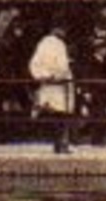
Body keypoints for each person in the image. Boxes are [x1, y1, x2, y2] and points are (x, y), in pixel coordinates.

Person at [29, 24, 75, 154]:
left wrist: (43, 76)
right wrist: (57, 75)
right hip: (60, 84)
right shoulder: (59, 44)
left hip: (48, 84)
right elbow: (63, 66)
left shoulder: (42, 44)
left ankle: (57, 144)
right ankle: (62, 144)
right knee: (63, 116)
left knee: (54, 115)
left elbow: (34, 64)